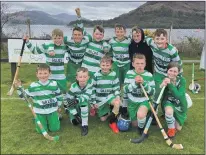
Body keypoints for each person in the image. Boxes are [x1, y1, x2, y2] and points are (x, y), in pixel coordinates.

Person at [15, 64, 63, 134]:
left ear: (50, 73)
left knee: (55, 129)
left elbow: (59, 95)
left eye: (45, 73)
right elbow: (24, 97)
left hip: (52, 110)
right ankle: (39, 119)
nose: (43, 75)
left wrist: (58, 106)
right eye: (40, 73)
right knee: (41, 131)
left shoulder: (54, 84)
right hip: (39, 111)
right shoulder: (33, 85)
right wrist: (19, 87)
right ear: (36, 74)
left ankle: (57, 116)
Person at [144, 29, 183, 106]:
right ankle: (154, 108)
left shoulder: (172, 51)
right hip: (158, 73)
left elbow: (179, 64)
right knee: (157, 91)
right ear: (154, 39)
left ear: (166, 40)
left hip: (169, 74)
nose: (159, 41)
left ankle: (167, 109)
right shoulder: (152, 43)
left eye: (162, 39)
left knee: (168, 93)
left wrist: (179, 77)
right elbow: (142, 37)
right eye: (157, 39)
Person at [25, 29, 67, 94]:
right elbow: (34, 51)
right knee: (49, 94)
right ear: (52, 38)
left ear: (62, 37)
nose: (57, 40)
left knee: (62, 94)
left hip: (60, 76)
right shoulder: (46, 45)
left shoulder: (64, 46)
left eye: (59, 38)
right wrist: (27, 42)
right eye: (55, 38)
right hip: (49, 76)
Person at [123, 53, 155, 134]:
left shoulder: (149, 75)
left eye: (142, 63)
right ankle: (147, 117)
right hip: (132, 102)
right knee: (135, 124)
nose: (140, 66)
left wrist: (144, 84)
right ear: (133, 64)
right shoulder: (129, 74)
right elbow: (125, 89)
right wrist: (135, 83)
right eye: (137, 63)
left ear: (145, 64)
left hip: (144, 101)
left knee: (140, 116)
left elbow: (152, 92)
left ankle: (141, 130)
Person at [93, 55, 121, 133]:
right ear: (100, 65)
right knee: (102, 119)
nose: (105, 67)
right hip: (100, 99)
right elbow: (93, 89)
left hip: (109, 97)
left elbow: (116, 87)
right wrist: (94, 102)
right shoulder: (96, 75)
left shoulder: (114, 74)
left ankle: (112, 122)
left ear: (111, 66)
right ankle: (113, 112)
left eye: (107, 65)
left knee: (117, 103)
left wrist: (117, 96)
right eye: (103, 65)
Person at [64, 8, 92, 84]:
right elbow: (57, 39)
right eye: (75, 35)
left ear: (83, 35)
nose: (77, 36)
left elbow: (81, 28)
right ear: (72, 35)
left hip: (82, 64)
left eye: (79, 35)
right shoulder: (67, 39)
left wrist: (79, 16)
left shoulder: (87, 39)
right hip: (71, 65)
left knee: (82, 82)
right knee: (71, 83)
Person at [160, 62, 188, 138]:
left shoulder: (182, 80)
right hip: (168, 102)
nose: (172, 73)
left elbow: (178, 95)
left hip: (180, 104)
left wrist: (170, 85)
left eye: (175, 71)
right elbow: (157, 94)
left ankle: (175, 117)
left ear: (178, 72)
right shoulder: (164, 79)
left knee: (178, 128)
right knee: (169, 112)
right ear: (167, 71)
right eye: (170, 70)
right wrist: (162, 85)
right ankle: (171, 130)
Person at [64, 67, 95, 136]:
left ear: (88, 77)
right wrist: (76, 115)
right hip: (75, 106)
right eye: (80, 77)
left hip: (85, 104)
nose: (83, 79)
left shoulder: (90, 85)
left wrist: (93, 104)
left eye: (85, 77)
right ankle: (75, 115)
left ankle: (85, 125)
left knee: (83, 103)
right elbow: (68, 101)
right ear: (77, 78)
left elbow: (86, 96)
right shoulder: (73, 87)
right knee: (75, 122)